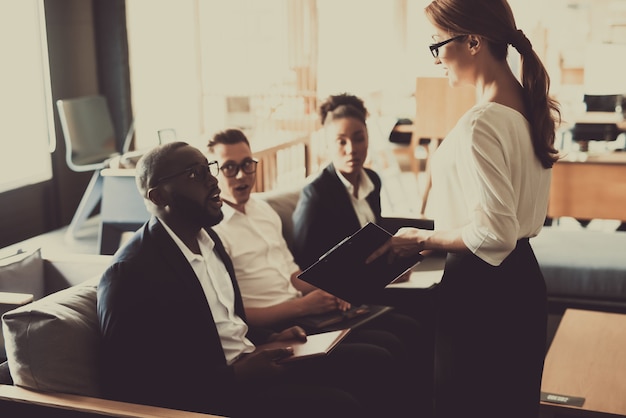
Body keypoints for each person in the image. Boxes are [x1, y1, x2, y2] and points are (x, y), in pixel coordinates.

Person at [97, 141, 408, 417]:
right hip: (214, 393)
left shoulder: (210, 243)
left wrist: (268, 337)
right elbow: (130, 383)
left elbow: (226, 323)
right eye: (195, 173)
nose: (213, 179)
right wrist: (235, 377)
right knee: (339, 405)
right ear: (158, 195)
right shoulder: (130, 272)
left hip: (253, 360)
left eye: (209, 168)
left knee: (375, 360)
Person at [366, 1, 561, 417]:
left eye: (438, 43)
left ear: (473, 41)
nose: (435, 57)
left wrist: (418, 239)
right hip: (522, 282)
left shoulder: (482, 123)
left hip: (483, 291)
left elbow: (493, 234)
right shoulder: (528, 111)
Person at [207, 128, 432, 416]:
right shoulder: (215, 231)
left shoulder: (263, 210)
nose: (241, 175)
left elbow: (292, 276)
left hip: (308, 312)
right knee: (382, 351)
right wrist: (301, 306)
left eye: (247, 164)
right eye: (229, 167)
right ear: (214, 172)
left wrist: (330, 287)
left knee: (406, 326)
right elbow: (235, 314)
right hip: (278, 327)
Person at [292, 93, 384, 271]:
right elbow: (303, 264)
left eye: (359, 139)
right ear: (327, 146)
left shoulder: (373, 180)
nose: (351, 150)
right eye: (341, 142)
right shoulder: (315, 195)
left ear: (368, 138)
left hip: (373, 279)